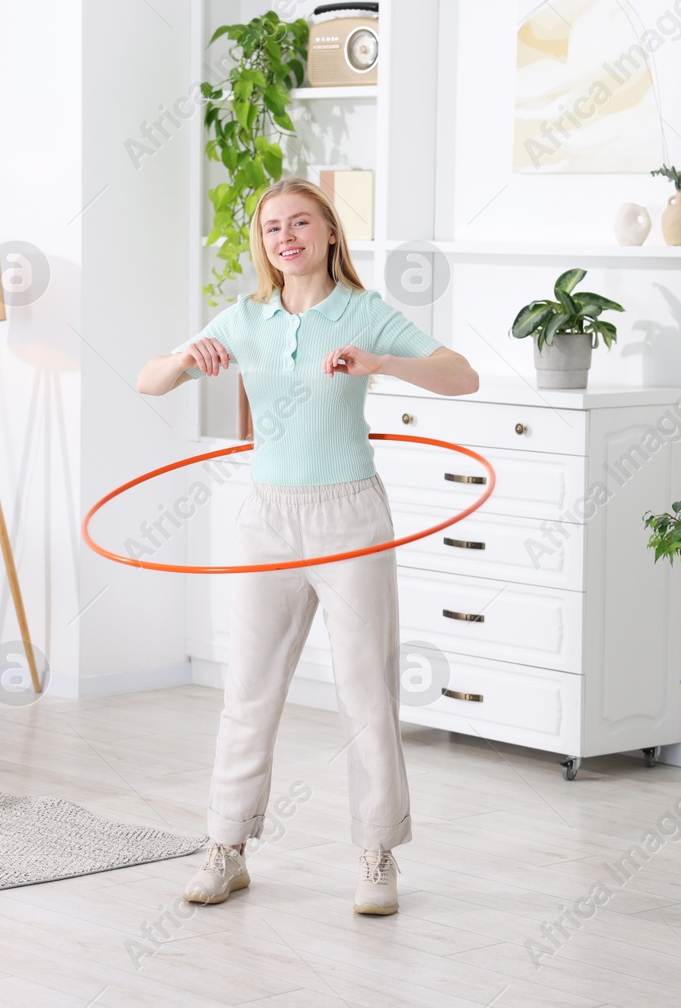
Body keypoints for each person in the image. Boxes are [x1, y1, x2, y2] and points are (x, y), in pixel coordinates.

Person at [136, 176, 478, 915]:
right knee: (248, 692)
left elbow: (461, 374)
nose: (284, 237)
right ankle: (225, 846)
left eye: (299, 223)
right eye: (270, 229)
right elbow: (148, 380)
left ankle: (377, 852)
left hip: (349, 516)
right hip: (268, 518)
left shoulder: (362, 312)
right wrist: (185, 357)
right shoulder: (246, 317)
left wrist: (382, 362)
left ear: (328, 233)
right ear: (264, 246)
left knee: (366, 691)